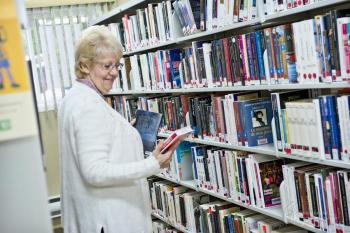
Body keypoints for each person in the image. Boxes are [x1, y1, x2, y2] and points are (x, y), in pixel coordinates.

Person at [58, 25, 179, 233]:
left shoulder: (73, 98)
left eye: (117, 66)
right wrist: (153, 163)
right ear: (85, 66)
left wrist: (125, 132)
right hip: (108, 221)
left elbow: (94, 140)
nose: (114, 73)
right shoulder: (89, 106)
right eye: (106, 66)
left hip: (94, 217)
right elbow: (95, 172)